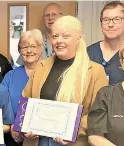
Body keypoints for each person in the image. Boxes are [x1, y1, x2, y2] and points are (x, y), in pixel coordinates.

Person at [21, 16, 108, 146]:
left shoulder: (95, 71)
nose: (59, 41)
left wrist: (74, 130)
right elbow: (26, 101)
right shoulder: (41, 67)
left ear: (78, 38)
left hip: (72, 142)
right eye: (55, 36)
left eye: (65, 36)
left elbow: (99, 113)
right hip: (39, 141)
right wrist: (25, 125)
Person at [3, 29, 44, 144]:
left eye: (33, 46)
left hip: (44, 138)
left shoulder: (50, 73)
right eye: (24, 47)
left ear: (41, 48)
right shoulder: (10, 76)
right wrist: (12, 125)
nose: (29, 51)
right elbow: (4, 104)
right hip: (15, 136)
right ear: (20, 51)